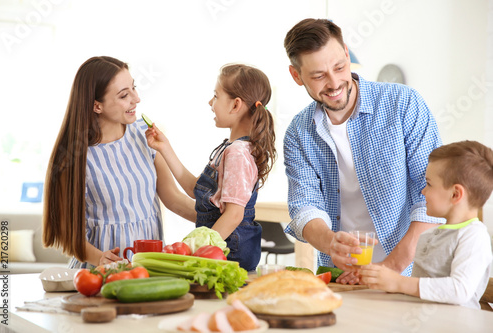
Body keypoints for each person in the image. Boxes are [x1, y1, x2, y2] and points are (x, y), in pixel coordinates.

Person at [282, 18, 444, 283]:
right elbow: (305, 207)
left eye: (339, 66)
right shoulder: (299, 132)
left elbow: (434, 197)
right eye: (319, 75)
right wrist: (329, 243)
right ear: (296, 76)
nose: (334, 83)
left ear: (346, 53)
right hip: (340, 277)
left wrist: (391, 268)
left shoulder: (403, 105)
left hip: (409, 273)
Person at [43, 56, 196, 269]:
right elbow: (68, 234)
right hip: (98, 274)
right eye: (124, 95)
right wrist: (100, 259)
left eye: (134, 88)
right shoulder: (73, 158)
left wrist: (220, 222)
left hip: (147, 269)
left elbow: (174, 199)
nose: (137, 99)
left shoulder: (145, 134)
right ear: (97, 106)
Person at [145, 64, 277, 271]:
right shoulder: (230, 149)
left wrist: (200, 251)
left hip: (230, 252)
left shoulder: (237, 153)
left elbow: (234, 215)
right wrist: (165, 148)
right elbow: (195, 189)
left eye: (215, 96)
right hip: (223, 247)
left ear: (235, 105)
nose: (210, 102)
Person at [360, 141, 493, 309]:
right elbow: (419, 293)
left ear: (455, 194)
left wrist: (399, 283)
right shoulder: (428, 236)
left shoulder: (474, 236)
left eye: (429, 184)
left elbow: (459, 290)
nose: (423, 191)